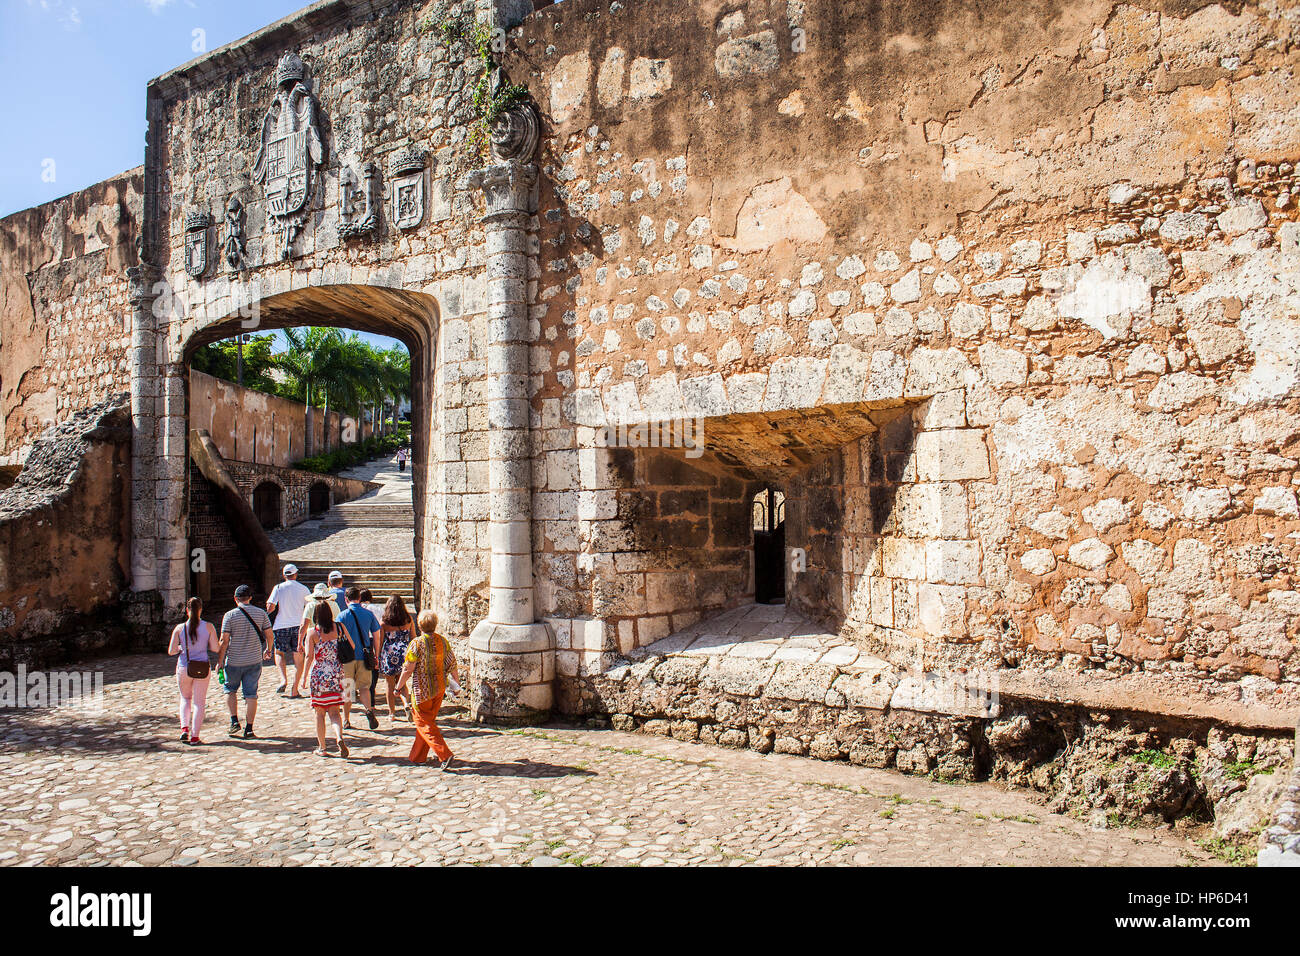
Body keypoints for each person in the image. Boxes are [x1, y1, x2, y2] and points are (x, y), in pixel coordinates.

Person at [395, 609, 460, 769]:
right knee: (427, 722)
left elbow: (408, 668)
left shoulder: (416, 644)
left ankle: (445, 754)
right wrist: (456, 684)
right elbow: (452, 663)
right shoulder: (442, 641)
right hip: (439, 688)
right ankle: (418, 756)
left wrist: (399, 686)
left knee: (423, 723)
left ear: (419, 625)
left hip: (421, 691)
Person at [218, 584, 274, 738]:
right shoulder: (261, 614)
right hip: (254, 659)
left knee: (230, 690)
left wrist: (220, 660)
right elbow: (270, 635)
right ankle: (249, 728)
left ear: (235, 599)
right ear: (250, 598)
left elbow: (224, 640)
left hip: (234, 660)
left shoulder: (229, 616)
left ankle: (234, 721)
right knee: (251, 694)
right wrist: (268, 650)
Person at [168, 597, 219, 745]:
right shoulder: (208, 627)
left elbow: (171, 651)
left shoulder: (179, 628)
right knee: (199, 702)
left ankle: (184, 729)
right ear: (201, 609)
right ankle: (195, 736)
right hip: (202, 666)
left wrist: (180, 648)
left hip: (184, 667)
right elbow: (215, 648)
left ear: (187, 611)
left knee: (185, 698)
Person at [303, 599, 349, 757]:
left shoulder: (313, 633)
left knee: (320, 713)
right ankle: (339, 737)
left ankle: (322, 747)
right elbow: (352, 646)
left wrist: (303, 677)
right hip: (337, 673)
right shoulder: (340, 627)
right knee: (335, 712)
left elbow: (309, 656)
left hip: (320, 675)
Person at [335, 586, 381, 730]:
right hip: (364, 655)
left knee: (348, 690)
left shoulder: (341, 616)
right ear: (359, 598)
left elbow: (336, 638)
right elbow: (377, 635)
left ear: (346, 599)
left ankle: (347, 720)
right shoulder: (368, 614)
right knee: (365, 688)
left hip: (347, 658)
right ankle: (368, 710)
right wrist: (376, 654)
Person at [267, 563, 310, 696]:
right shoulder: (304, 589)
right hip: (299, 625)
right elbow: (309, 607)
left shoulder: (278, 588)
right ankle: (294, 688)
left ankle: (283, 680)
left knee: (279, 653)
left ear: (284, 575)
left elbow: (270, 607)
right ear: (295, 574)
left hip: (281, 625)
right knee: (299, 657)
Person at [377, 594, 415, 720]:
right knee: (402, 682)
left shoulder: (384, 622)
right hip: (404, 652)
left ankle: (391, 713)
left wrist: (377, 656)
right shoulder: (408, 619)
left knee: (389, 684)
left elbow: (381, 641)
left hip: (389, 654)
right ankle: (406, 704)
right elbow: (413, 638)